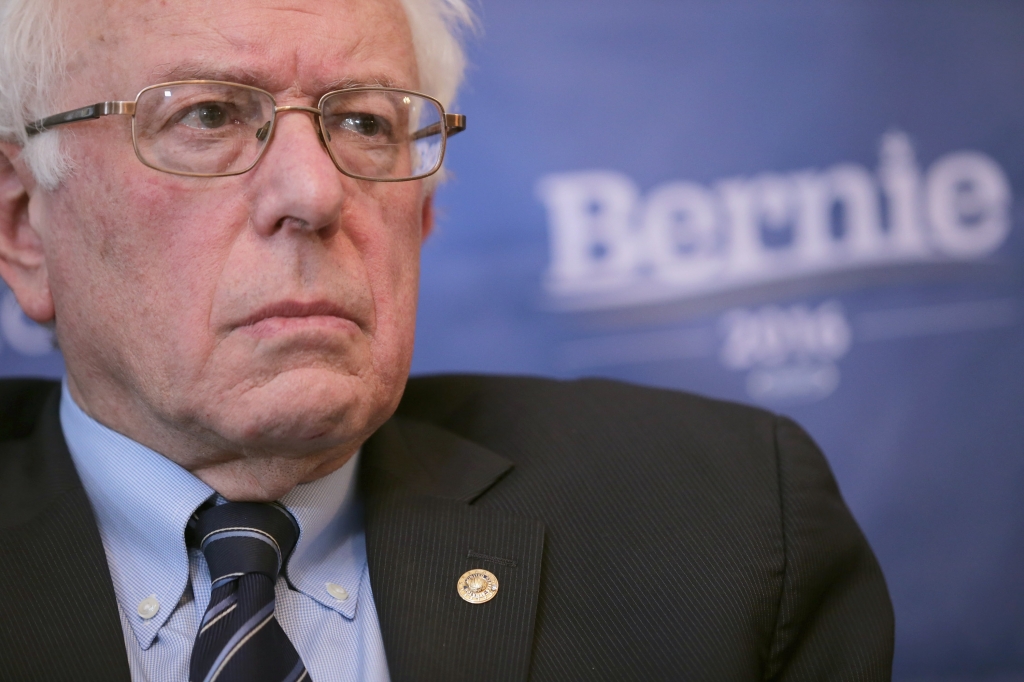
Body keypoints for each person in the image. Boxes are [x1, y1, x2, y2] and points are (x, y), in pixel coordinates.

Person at [0, 0, 894, 680]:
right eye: (206, 117)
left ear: (422, 213)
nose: (314, 194)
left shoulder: (723, 528)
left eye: (364, 123)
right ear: (22, 226)